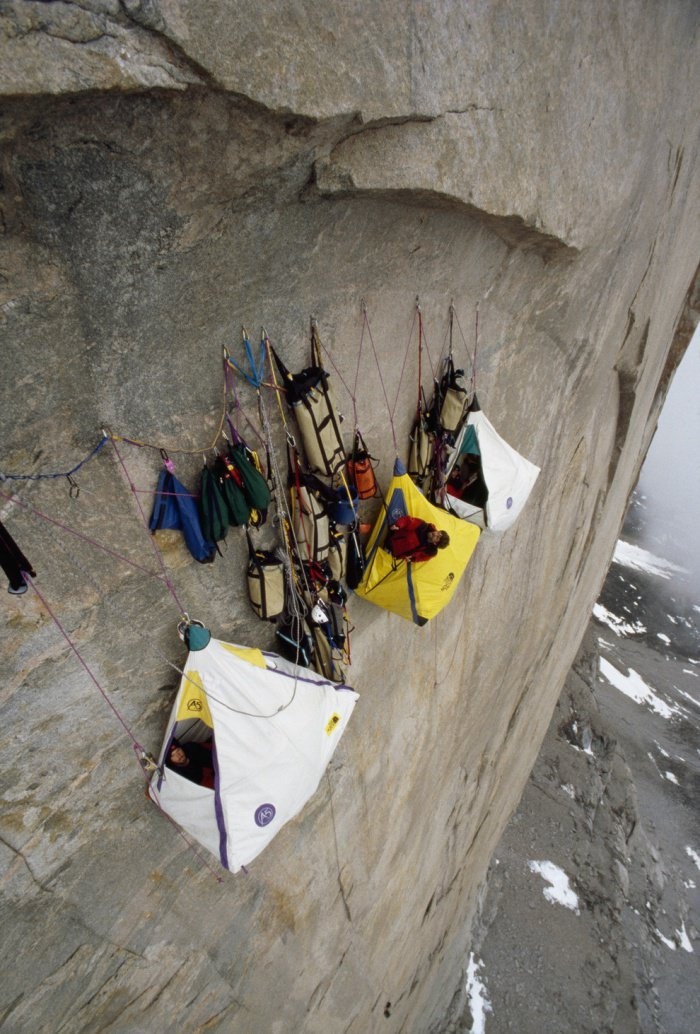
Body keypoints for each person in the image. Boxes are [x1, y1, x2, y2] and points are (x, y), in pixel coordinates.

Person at [385, 516, 450, 562]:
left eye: (437, 537)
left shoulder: (429, 552)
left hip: (391, 553)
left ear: (435, 543)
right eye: (438, 533)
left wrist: (411, 559)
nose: (435, 534)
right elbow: (408, 521)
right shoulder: (423, 526)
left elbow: (419, 558)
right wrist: (398, 525)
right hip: (391, 534)